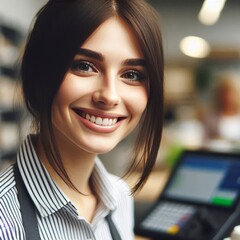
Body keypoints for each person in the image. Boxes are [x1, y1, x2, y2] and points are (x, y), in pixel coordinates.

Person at [0, 0, 164, 239]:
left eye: (131, 74)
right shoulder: (5, 216)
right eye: (85, 66)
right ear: (39, 74)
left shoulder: (120, 197)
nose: (109, 95)